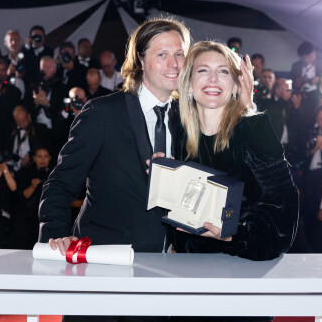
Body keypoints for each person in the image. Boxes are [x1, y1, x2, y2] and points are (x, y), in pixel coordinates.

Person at [39, 17, 193, 251]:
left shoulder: (187, 119)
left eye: (179, 54)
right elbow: (60, 183)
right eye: (162, 54)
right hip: (106, 259)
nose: (174, 63)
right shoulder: (102, 113)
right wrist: (56, 235)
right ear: (140, 59)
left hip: (167, 262)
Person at [172, 40, 298, 261]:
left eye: (223, 71)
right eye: (203, 70)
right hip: (186, 267)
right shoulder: (175, 134)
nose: (213, 79)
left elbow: (283, 219)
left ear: (235, 84)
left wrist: (232, 234)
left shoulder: (254, 131)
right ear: (189, 83)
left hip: (243, 267)